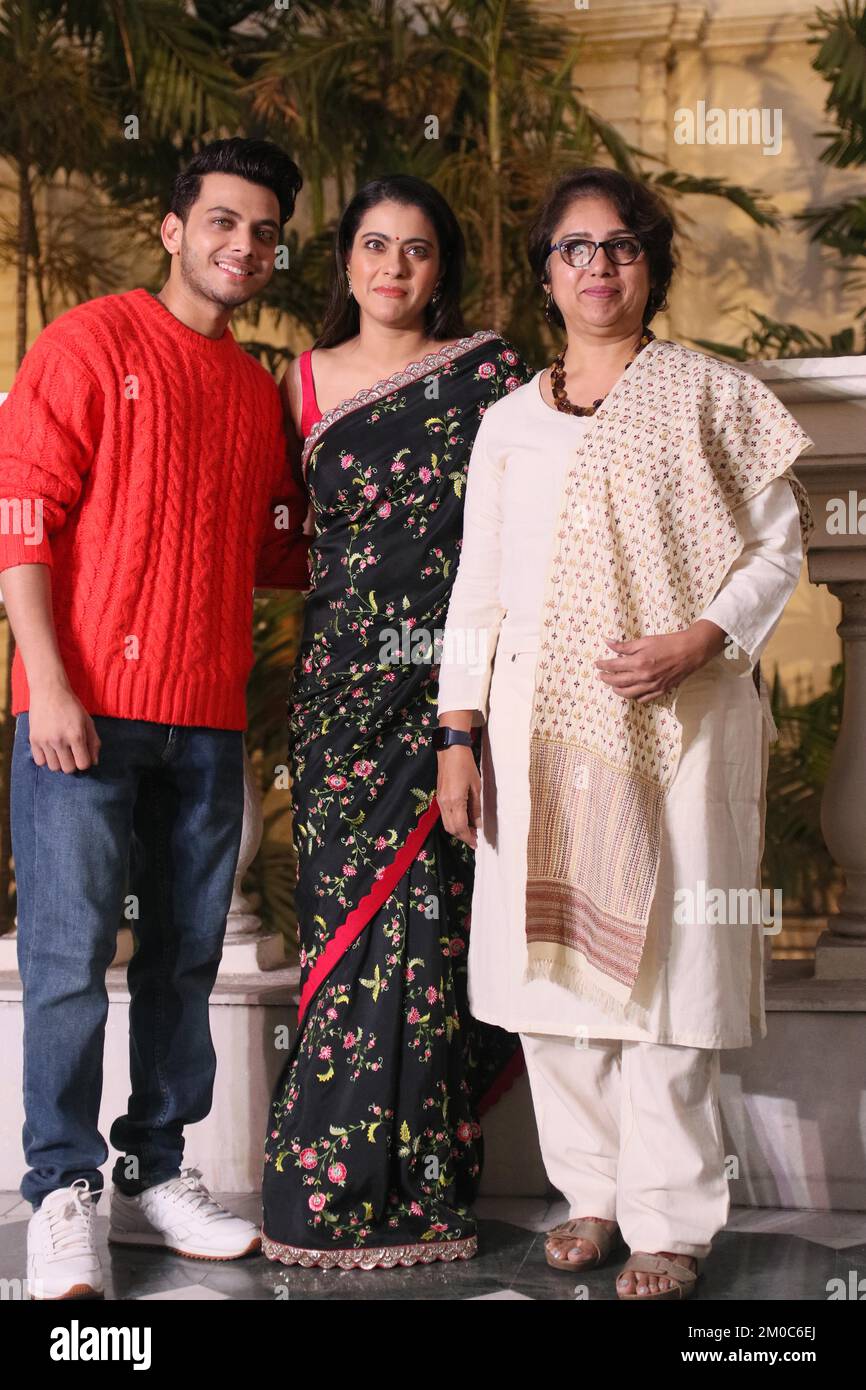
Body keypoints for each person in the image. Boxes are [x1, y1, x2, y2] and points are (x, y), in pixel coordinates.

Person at [435, 167, 814, 1301]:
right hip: (534, 731)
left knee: (666, 972)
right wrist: (456, 731)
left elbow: (774, 550)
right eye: (573, 248)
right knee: (548, 973)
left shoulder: (709, 396)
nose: (596, 266)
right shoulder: (505, 422)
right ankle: (587, 1193)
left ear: (648, 266)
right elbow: (476, 588)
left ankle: (670, 1217)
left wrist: (698, 640)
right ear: (544, 272)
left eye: (619, 247)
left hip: (681, 722)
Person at [0, 138, 309, 1300]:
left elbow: (280, 546)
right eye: (224, 221)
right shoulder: (87, 342)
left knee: (185, 957)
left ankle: (158, 1169)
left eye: (265, 230)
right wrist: (50, 683)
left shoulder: (247, 387)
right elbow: (19, 516)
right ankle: (63, 1192)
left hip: (203, 718)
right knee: (73, 958)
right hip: (78, 714)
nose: (245, 245)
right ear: (173, 229)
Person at [261, 175, 532, 1271]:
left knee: (436, 925)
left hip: (458, 684)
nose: (393, 267)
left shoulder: (491, 372)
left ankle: (425, 1181)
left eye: (416, 250)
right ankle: (327, 1183)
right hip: (337, 695)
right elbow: (284, 537)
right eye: (374, 245)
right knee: (346, 930)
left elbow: (528, 515)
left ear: (441, 266)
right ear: (344, 262)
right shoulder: (299, 381)